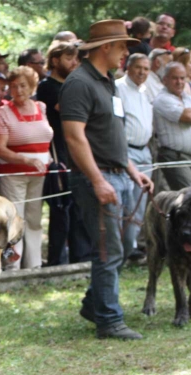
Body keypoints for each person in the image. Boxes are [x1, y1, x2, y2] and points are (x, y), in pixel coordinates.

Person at [60, 19, 153, 340]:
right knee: (108, 250)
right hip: (97, 179)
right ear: (106, 47)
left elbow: (110, 135)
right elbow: (74, 138)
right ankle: (109, 320)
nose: (127, 52)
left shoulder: (107, 81)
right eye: (123, 46)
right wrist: (98, 180)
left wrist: (131, 170)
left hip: (120, 176)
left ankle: (94, 303)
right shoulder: (79, 83)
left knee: (123, 246)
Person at [37, 41, 92, 266]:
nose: (74, 63)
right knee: (61, 208)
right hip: (57, 153)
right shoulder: (47, 86)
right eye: (70, 58)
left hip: (76, 151)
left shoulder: (73, 84)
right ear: (56, 60)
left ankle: (80, 254)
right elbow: (70, 107)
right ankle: (57, 259)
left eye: (77, 59)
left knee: (79, 206)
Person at [0, 66, 53, 269]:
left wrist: (47, 156)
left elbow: (45, 137)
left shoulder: (41, 107)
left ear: (32, 86)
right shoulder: (4, 112)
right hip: (13, 174)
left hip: (40, 173)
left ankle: (34, 265)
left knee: (34, 220)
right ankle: (12, 267)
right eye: (14, 86)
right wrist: (26, 160)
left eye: (23, 85)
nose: (18, 90)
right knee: (14, 220)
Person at [115, 53, 153, 259]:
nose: (142, 72)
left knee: (140, 204)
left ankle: (132, 247)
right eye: (138, 67)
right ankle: (123, 248)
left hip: (144, 150)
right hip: (127, 151)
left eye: (146, 69)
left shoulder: (146, 91)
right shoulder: (119, 88)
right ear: (128, 67)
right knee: (128, 203)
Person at [153, 62, 191, 191]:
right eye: (175, 78)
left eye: (182, 78)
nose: (179, 82)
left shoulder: (186, 98)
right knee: (188, 198)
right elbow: (188, 116)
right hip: (176, 157)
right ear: (165, 80)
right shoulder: (162, 99)